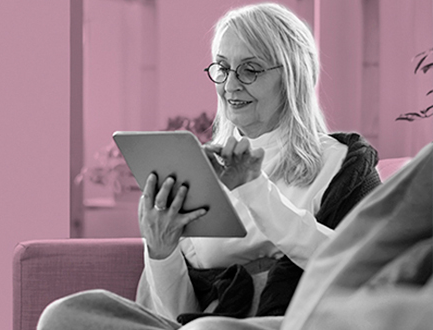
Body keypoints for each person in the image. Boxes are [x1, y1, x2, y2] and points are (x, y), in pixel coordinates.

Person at [37, 3, 382, 329]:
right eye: (223, 68)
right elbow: (175, 317)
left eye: (250, 69)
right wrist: (162, 250)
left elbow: (359, 267)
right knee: (65, 316)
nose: (231, 85)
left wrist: (254, 189)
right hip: (204, 324)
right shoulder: (200, 168)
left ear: (293, 75)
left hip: (291, 322)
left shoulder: (342, 162)